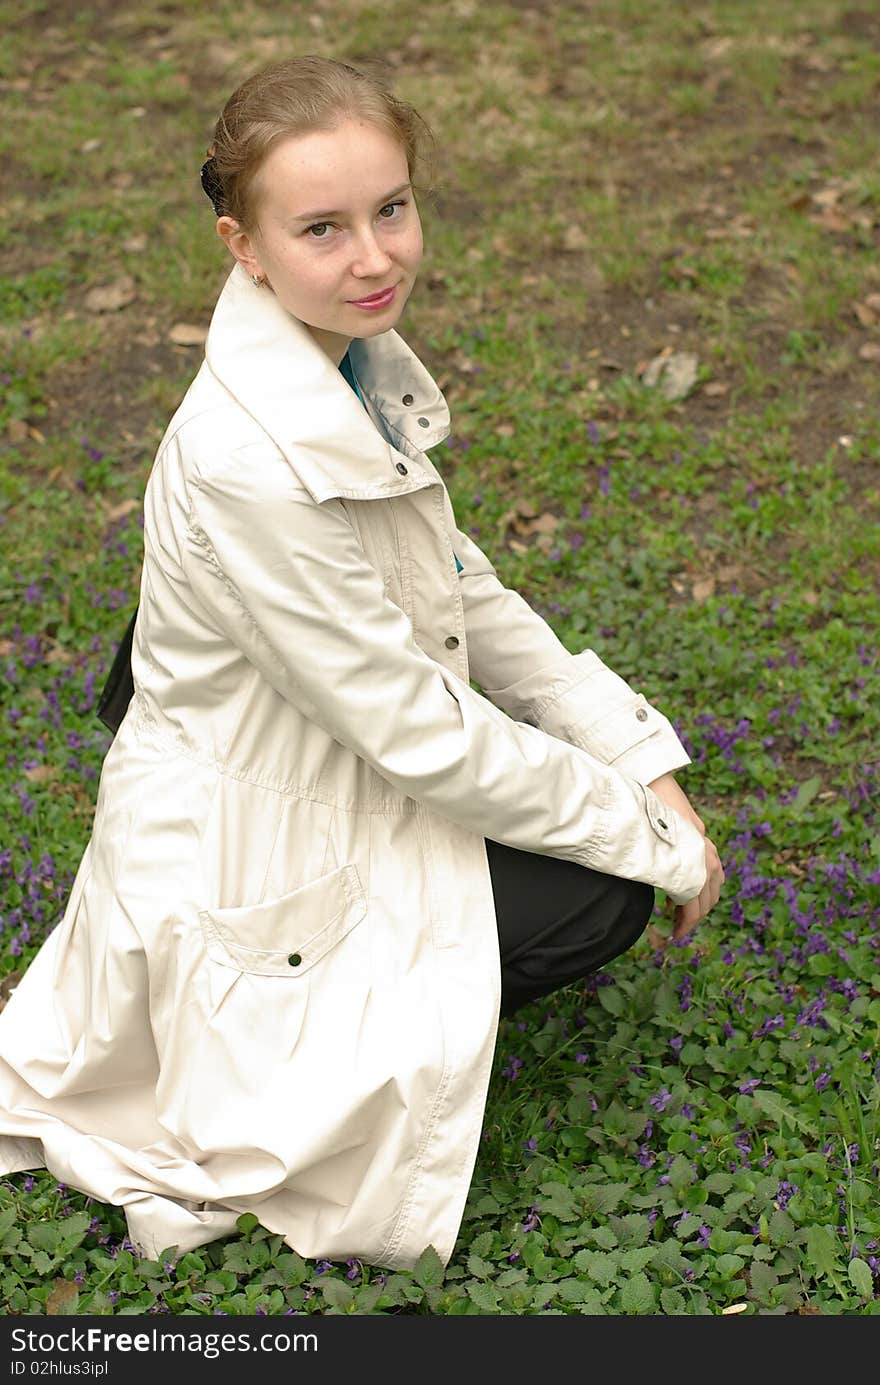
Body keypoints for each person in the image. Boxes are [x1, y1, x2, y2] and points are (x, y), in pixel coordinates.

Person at [0, 55, 724, 1271]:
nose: (374, 255)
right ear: (245, 244)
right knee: (595, 894)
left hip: (292, 715)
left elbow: (458, 585)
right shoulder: (248, 454)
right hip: (260, 806)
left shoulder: (342, 348)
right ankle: (305, 1051)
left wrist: (631, 749)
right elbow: (419, 731)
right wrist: (645, 837)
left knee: (562, 841)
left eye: (391, 208)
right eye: (322, 228)